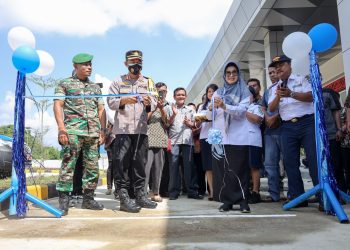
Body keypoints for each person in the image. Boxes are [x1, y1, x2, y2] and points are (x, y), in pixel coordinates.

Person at [54, 53, 106, 216]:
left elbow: (101, 110)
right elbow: (58, 105)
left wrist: (102, 130)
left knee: (92, 167)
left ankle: (88, 199)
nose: (89, 67)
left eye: (90, 64)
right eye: (85, 65)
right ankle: (63, 201)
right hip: (73, 132)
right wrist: (61, 129)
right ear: (75, 66)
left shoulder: (95, 87)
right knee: (68, 165)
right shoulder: (64, 84)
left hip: (92, 134)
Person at [107, 50, 157, 213]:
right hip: (122, 129)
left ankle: (140, 195)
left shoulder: (148, 81)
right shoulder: (117, 81)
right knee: (121, 163)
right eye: (132, 61)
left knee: (140, 164)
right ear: (126, 63)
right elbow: (110, 102)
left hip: (141, 130)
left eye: (138, 61)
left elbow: (155, 102)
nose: (136, 64)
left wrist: (149, 103)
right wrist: (124, 100)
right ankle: (123, 197)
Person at [269, 55, 318, 208]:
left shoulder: (301, 79)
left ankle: (323, 197)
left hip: (307, 123)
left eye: (281, 64)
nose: (278, 68)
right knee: (290, 162)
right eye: (276, 67)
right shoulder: (274, 87)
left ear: (290, 65)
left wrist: (291, 93)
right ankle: (298, 197)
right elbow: (271, 108)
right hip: (287, 127)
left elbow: (311, 96)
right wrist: (278, 95)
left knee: (313, 159)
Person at [207, 62, 251, 213]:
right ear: (224, 75)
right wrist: (211, 108)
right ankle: (227, 201)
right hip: (219, 137)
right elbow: (209, 116)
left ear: (238, 74)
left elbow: (241, 111)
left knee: (240, 169)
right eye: (228, 73)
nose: (231, 75)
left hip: (238, 135)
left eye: (234, 72)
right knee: (223, 170)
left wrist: (224, 106)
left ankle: (243, 201)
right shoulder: (218, 92)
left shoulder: (244, 91)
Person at [166, 88, 202, 200]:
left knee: (189, 167)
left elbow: (197, 125)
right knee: (173, 167)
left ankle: (192, 191)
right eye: (178, 95)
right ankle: (173, 192)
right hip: (173, 142)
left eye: (182, 95)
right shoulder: (169, 108)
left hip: (188, 142)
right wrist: (173, 115)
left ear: (185, 97)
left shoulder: (191, 110)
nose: (180, 96)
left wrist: (189, 123)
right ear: (174, 96)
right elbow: (166, 124)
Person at [262, 64, 285, 202]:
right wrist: (267, 117)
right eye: (270, 72)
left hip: (284, 129)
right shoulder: (267, 91)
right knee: (270, 164)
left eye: (275, 72)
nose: (272, 75)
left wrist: (275, 117)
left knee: (289, 163)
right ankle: (274, 194)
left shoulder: (285, 87)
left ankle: (293, 193)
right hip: (269, 131)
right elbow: (263, 106)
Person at [144, 82, 169, 202]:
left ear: (166, 92)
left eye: (163, 91)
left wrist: (161, 108)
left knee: (158, 169)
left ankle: (156, 193)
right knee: (146, 168)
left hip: (160, 140)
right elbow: (144, 119)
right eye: (159, 91)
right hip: (148, 139)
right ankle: (143, 193)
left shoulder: (168, 105)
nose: (161, 93)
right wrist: (154, 108)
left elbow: (167, 123)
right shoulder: (148, 102)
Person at [196, 84, 218, 200]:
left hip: (216, 135)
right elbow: (197, 123)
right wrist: (199, 120)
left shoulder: (220, 104)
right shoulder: (201, 107)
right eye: (209, 91)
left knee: (218, 164)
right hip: (204, 136)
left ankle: (220, 189)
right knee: (208, 165)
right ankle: (212, 191)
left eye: (213, 91)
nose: (211, 93)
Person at [322, 88, 346, 192]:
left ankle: (341, 191)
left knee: (336, 165)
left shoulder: (328, 93)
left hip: (331, 134)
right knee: (320, 167)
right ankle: (324, 193)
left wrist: (339, 129)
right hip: (315, 137)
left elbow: (336, 111)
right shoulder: (304, 96)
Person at [246, 78, 264, 204]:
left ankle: (256, 192)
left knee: (254, 167)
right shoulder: (239, 108)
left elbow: (258, 119)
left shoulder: (256, 107)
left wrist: (244, 111)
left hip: (253, 140)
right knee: (244, 167)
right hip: (241, 141)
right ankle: (245, 190)